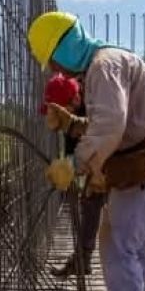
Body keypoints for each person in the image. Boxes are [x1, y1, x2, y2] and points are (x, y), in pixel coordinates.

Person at [27, 11, 145, 291]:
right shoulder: (105, 63)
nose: (58, 70)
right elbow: (111, 121)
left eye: (54, 60)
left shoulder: (104, 65)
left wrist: (74, 163)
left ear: (65, 46)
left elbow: (111, 126)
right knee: (133, 241)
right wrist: (73, 124)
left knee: (118, 243)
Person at [41, 74, 106, 277]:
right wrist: (67, 169)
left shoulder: (100, 101)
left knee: (125, 222)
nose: (57, 116)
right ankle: (83, 259)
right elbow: (72, 150)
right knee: (90, 202)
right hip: (96, 162)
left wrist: (79, 165)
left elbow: (109, 134)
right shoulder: (69, 116)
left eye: (61, 110)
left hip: (119, 159)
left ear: (76, 100)